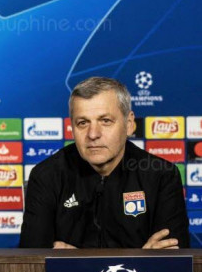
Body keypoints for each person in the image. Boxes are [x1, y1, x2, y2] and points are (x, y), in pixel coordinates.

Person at [20, 77, 189, 248]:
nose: (93, 134)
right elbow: (31, 258)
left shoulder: (162, 176)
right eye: (83, 123)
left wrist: (76, 260)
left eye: (105, 121)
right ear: (72, 128)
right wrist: (142, 257)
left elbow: (174, 257)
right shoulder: (46, 176)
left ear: (129, 124)